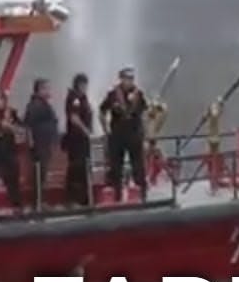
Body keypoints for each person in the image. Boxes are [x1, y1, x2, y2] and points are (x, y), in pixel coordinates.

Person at [99, 67, 149, 202]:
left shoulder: (139, 94)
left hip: (134, 134)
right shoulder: (113, 94)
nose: (130, 81)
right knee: (115, 167)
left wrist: (145, 135)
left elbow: (144, 114)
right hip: (117, 135)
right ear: (121, 79)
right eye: (127, 79)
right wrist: (106, 130)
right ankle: (116, 196)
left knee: (138, 166)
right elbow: (102, 111)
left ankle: (142, 195)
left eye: (132, 79)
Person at [23, 78, 59, 206]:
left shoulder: (45, 104)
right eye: (46, 88)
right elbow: (28, 125)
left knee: (43, 173)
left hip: (46, 143)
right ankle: (38, 201)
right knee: (39, 173)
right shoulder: (35, 105)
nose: (49, 91)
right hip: (40, 144)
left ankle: (41, 200)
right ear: (40, 90)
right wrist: (31, 142)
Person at [62, 73, 93, 207]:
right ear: (79, 84)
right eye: (84, 84)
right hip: (76, 139)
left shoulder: (83, 98)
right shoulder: (74, 98)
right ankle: (71, 198)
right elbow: (74, 118)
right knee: (76, 167)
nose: (85, 87)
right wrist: (86, 131)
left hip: (83, 140)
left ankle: (84, 198)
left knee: (84, 167)